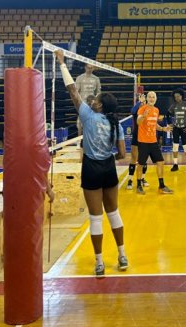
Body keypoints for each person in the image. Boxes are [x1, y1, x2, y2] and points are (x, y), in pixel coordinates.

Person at [55, 50, 128, 277]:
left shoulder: (88, 116)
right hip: (108, 167)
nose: (93, 100)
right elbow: (123, 155)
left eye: (96, 100)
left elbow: (72, 90)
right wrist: (108, 156)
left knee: (95, 218)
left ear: (99, 106)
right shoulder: (117, 124)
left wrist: (62, 64)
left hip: (91, 168)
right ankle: (122, 255)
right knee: (113, 213)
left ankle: (99, 263)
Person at [136, 91, 173, 195]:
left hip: (153, 142)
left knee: (160, 162)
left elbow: (154, 124)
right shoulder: (142, 108)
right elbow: (138, 122)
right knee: (141, 164)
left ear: (156, 99)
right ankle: (139, 185)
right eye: (150, 97)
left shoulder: (156, 110)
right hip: (143, 141)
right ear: (147, 98)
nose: (151, 99)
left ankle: (161, 186)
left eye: (153, 97)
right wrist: (143, 116)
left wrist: (163, 129)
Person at [167, 88, 186, 172]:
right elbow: (167, 114)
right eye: (175, 97)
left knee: (185, 145)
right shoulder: (173, 105)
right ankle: (175, 164)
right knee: (175, 145)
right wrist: (169, 123)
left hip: (184, 128)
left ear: (182, 96)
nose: (177, 98)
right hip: (176, 128)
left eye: (178, 96)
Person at [75, 64, 101, 149]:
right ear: (85, 67)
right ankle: (79, 142)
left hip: (92, 105)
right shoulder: (79, 78)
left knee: (93, 122)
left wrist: (95, 101)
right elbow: (76, 92)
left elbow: (98, 92)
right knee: (80, 123)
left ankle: (93, 141)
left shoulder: (96, 79)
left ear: (93, 68)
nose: (90, 69)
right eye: (88, 68)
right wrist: (79, 103)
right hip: (82, 104)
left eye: (91, 68)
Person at [126, 93, 149, 190]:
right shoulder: (137, 110)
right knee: (134, 158)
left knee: (143, 160)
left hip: (146, 136)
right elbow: (132, 111)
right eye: (141, 99)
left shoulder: (149, 109)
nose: (143, 101)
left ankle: (142, 178)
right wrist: (140, 102)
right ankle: (130, 180)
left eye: (144, 100)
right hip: (136, 135)